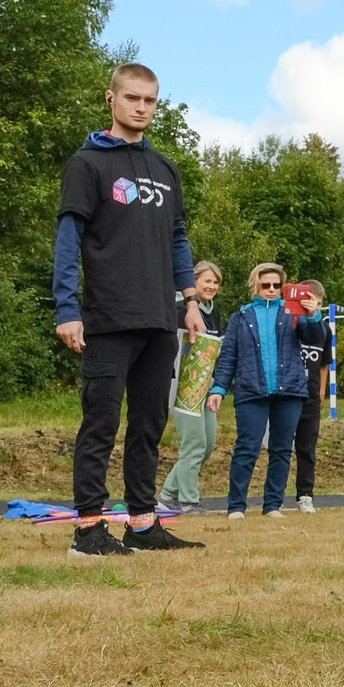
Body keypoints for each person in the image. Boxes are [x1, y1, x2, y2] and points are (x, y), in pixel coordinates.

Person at [55, 63, 203, 557]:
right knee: (100, 424)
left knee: (148, 425)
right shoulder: (88, 164)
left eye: (150, 100)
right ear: (112, 100)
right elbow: (68, 240)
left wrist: (191, 301)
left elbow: (178, 239)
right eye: (133, 98)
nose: (142, 107)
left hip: (160, 319)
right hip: (107, 318)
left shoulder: (165, 169)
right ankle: (89, 531)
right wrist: (66, 308)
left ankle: (142, 525)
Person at [211, 263, 326, 519]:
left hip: (290, 391)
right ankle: (236, 506)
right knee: (246, 448)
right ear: (256, 285)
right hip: (251, 390)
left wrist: (314, 315)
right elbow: (228, 355)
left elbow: (315, 339)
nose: (272, 290)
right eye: (266, 285)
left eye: (276, 285)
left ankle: (273, 505)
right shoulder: (241, 316)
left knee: (282, 449)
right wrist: (219, 387)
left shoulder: (294, 313)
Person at [159, 261, 224, 512]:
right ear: (193, 283)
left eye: (215, 282)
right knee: (194, 444)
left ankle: (167, 495)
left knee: (207, 445)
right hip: (183, 385)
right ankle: (188, 502)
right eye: (207, 281)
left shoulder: (214, 311)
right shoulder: (178, 309)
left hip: (207, 385)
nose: (212, 286)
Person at [290, 279, 335, 514]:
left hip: (311, 395)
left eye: (315, 301)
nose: (309, 305)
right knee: (280, 447)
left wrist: (321, 392)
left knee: (307, 449)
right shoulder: (290, 321)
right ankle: (273, 495)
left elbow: (325, 363)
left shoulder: (324, 328)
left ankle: (305, 495)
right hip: (289, 392)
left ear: (320, 302)